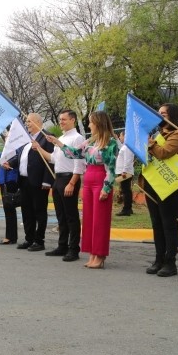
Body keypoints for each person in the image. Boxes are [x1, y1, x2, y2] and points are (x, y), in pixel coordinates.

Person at [42, 110, 119, 269]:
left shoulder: (110, 142)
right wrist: (58, 143)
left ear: (98, 123)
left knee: (100, 220)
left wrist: (106, 187)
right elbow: (75, 154)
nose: (89, 125)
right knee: (89, 219)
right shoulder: (90, 141)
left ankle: (100, 255)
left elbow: (111, 169)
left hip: (100, 180)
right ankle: (92, 253)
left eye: (91, 122)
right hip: (88, 181)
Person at [142, 103, 178, 277]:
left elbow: (163, 153)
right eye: (158, 113)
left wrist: (150, 143)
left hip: (169, 184)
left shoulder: (177, 134)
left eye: (163, 114)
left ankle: (170, 262)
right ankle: (158, 259)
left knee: (168, 224)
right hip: (153, 182)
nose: (159, 116)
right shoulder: (157, 134)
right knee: (157, 223)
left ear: (173, 116)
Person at [43, 109, 85, 262]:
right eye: (60, 119)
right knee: (60, 215)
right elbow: (53, 159)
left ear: (72, 120)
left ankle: (74, 249)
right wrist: (39, 148)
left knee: (71, 216)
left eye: (64, 119)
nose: (61, 122)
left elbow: (79, 163)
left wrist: (72, 183)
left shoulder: (77, 138)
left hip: (69, 178)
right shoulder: (60, 138)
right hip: (58, 178)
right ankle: (62, 246)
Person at [11, 112, 54, 251]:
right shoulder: (26, 139)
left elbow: (51, 161)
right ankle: (29, 239)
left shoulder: (47, 138)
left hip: (39, 182)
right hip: (24, 181)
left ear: (38, 122)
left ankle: (39, 241)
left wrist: (47, 181)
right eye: (27, 121)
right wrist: (10, 163)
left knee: (39, 211)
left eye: (29, 121)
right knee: (26, 211)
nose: (27, 124)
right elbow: (22, 157)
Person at [0, 133, 20, 245]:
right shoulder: (6, 150)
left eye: (8, 137)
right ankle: (10, 236)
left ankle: (10, 237)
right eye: (6, 137)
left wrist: (9, 163)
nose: (6, 139)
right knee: (8, 210)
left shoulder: (16, 150)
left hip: (10, 182)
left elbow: (15, 160)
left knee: (9, 209)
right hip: (4, 182)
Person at [114, 130, 135, 216]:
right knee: (125, 190)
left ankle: (126, 209)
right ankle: (128, 208)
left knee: (126, 191)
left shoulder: (127, 147)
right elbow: (120, 147)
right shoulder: (125, 146)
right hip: (124, 171)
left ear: (125, 136)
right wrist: (116, 139)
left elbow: (128, 160)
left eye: (121, 136)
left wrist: (124, 171)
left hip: (125, 172)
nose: (120, 137)